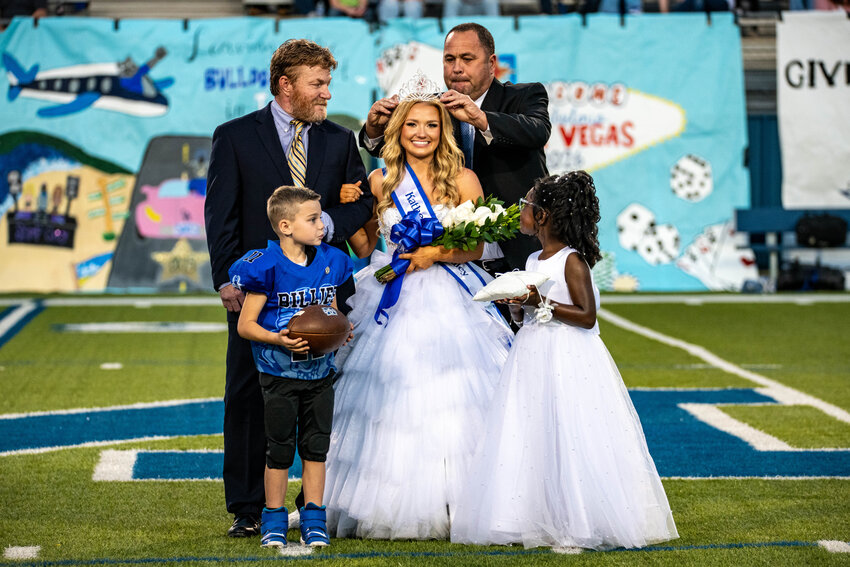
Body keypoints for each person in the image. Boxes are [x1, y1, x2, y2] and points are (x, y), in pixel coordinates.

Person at [450, 172, 679, 550]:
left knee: (570, 430)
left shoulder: (571, 261)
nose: (519, 210)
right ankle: (531, 516)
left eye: (525, 204)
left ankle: (580, 521)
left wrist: (540, 303)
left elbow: (587, 315)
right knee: (532, 428)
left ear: (542, 216)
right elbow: (531, 310)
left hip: (569, 355)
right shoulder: (531, 257)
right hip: (533, 352)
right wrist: (517, 306)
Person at [322, 95, 514, 540]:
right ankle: (389, 505)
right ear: (398, 131)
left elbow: (480, 247)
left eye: (431, 124)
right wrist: (347, 204)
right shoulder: (381, 179)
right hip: (390, 290)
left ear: (443, 130)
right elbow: (367, 247)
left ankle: (462, 503)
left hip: (450, 294)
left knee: (451, 396)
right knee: (393, 396)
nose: (421, 133)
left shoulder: (464, 178)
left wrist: (435, 253)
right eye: (412, 125)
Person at [204, 38, 371, 539]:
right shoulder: (233, 136)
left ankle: (311, 505)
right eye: (317, 84)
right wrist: (224, 278)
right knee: (248, 397)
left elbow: (360, 208)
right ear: (287, 85)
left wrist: (326, 229)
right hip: (257, 295)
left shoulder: (341, 140)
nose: (325, 93)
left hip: (320, 298)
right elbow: (220, 214)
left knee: (320, 400)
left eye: (327, 84)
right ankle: (248, 508)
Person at [359, 22, 550, 274]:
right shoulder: (435, 107)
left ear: (492, 63)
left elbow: (537, 130)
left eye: (467, 58)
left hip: (516, 247)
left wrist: (481, 118)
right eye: (449, 59)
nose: (457, 68)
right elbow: (393, 145)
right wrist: (373, 129)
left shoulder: (524, 95)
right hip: (449, 256)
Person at [229, 186, 354, 548]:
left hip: (320, 373)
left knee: (317, 447)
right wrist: (278, 339)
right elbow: (245, 325)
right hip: (280, 374)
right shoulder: (265, 266)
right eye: (313, 219)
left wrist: (337, 332)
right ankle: (273, 517)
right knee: (280, 449)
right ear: (285, 226)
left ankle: (315, 517)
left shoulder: (330, 260)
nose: (321, 225)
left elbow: (330, 313)